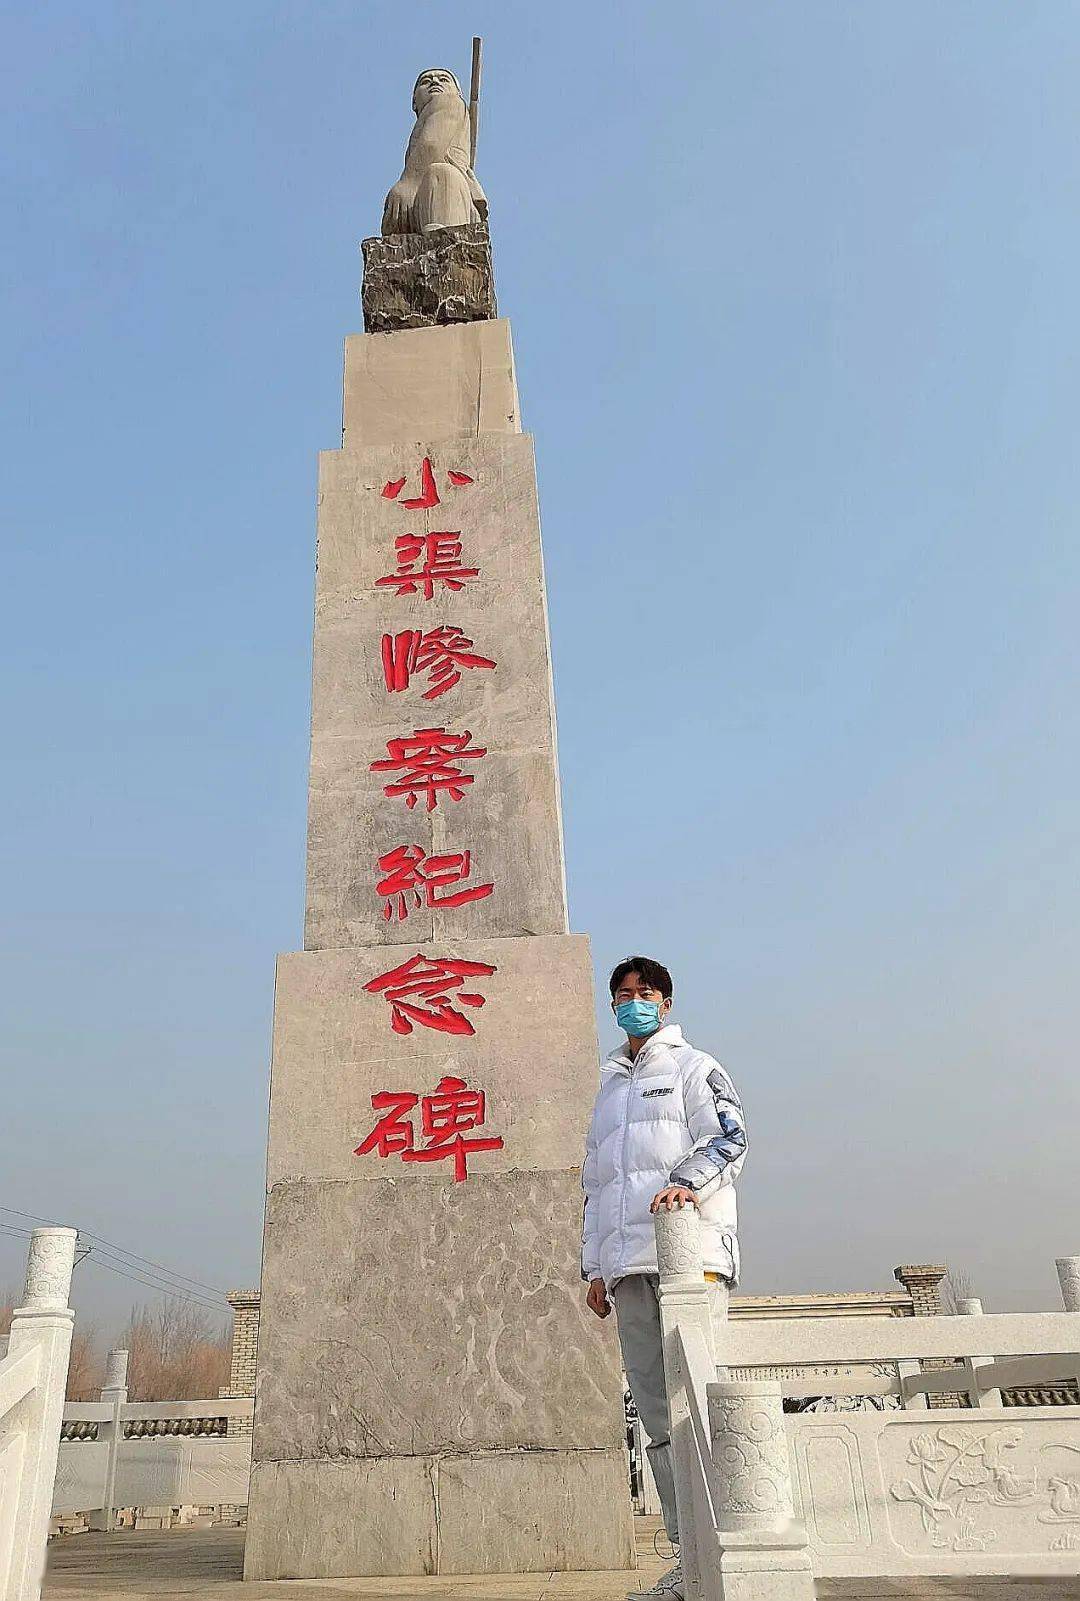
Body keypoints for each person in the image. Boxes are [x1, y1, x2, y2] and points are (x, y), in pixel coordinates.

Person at [582, 956, 747, 1601]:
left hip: (690, 1256)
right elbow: (598, 1184)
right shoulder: (608, 1086)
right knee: (656, 1414)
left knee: (698, 1403)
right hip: (627, 1267)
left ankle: (728, 1552)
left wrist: (684, 1185)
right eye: (622, 995)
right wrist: (593, 1266)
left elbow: (732, 1137)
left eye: (645, 993)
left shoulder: (695, 1068)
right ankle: (688, 1560)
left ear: (667, 1002)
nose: (633, 1002)